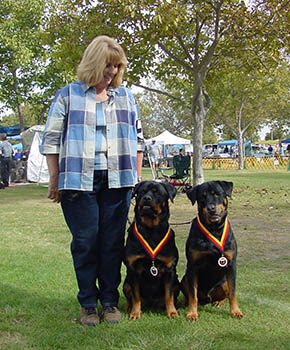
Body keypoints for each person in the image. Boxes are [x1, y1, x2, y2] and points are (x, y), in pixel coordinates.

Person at [40, 35, 144, 326]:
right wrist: (54, 178)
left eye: (116, 66)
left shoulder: (126, 97)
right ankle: (88, 302)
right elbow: (50, 141)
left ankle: (110, 301)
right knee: (86, 242)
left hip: (118, 180)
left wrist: (135, 178)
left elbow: (138, 141)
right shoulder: (68, 95)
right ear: (93, 63)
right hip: (77, 180)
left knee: (112, 243)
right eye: (107, 65)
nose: (112, 72)